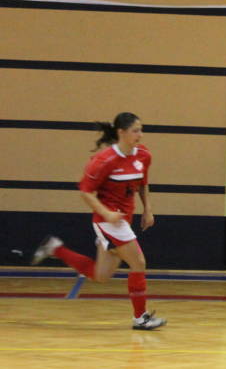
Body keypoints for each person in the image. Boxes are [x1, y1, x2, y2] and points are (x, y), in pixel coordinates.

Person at [30, 112, 166, 329]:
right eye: (135, 130)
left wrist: (148, 209)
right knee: (138, 263)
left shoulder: (143, 155)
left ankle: (55, 248)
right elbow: (85, 192)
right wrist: (107, 213)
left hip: (124, 219)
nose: (140, 135)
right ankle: (140, 318)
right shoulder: (104, 160)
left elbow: (143, 183)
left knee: (100, 275)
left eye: (141, 130)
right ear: (121, 132)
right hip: (108, 221)